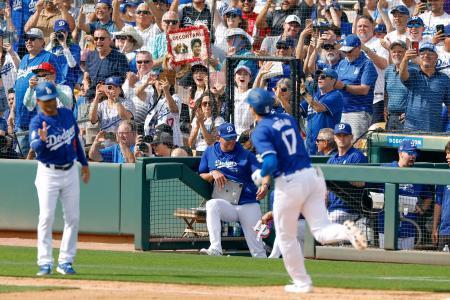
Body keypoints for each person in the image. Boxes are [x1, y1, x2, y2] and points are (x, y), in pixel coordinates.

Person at [247, 88, 366, 293]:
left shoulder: (261, 130)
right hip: (312, 178)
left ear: (254, 108)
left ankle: (302, 282)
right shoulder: (288, 121)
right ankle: (347, 232)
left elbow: (271, 160)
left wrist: (261, 175)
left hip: (291, 183)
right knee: (320, 230)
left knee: (285, 236)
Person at [28, 81, 90, 276]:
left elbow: (76, 142)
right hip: (48, 173)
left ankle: (65, 262)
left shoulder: (66, 114)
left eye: (52, 99)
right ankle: (44, 262)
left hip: (70, 170)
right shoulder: (37, 122)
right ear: (38, 101)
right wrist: (42, 140)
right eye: (46, 101)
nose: (50, 104)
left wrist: (85, 164)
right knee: (46, 217)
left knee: (73, 218)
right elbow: (36, 148)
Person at [198, 122, 269, 258]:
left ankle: (266, 274)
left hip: (248, 203)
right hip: (227, 204)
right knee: (212, 204)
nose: (231, 141)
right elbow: (201, 174)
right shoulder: (210, 151)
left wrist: (265, 185)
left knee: (258, 250)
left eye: (233, 138)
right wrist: (212, 173)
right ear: (218, 138)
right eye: (228, 138)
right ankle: (215, 248)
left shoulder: (245, 154)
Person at [15, 28, 63, 157]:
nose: (28, 41)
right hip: (21, 116)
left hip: (38, 117)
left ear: (42, 41)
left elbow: (59, 81)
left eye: (32, 38)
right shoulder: (24, 58)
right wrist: (12, 111)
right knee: (21, 158)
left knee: (38, 155)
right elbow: (18, 86)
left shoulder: (48, 57)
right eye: (27, 39)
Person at [378, 139, 433, 250]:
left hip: (409, 228)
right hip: (387, 227)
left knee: (407, 262)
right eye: (410, 153)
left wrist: (422, 209)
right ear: (401, 153)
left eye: (415, 154)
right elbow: (373, 192)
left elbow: (428, 197)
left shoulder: (417, 175)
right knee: (386, 262)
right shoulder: (386, 169)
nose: (413, 156)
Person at [334, 34, 378, 142]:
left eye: (350, 51)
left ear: (358, 48)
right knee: (341, 144)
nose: (347, 54)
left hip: (358, 111)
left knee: (355, 144)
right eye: (345, 51)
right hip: (341, 110)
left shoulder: (367, 64)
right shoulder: (342, 63)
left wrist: (344, 86)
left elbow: (364, 89)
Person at [399, 42, 450, 132]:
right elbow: (402, 76)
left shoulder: (444, 78)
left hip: (434, 129)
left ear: (436, 57)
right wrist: (405, 59)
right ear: (419, 57)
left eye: (430, 53)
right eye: (422, 53)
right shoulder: (412, 73)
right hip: (411, 128)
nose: (426, 56)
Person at [327, 123, 368, 224]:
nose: (341, 138)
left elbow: (357, 182)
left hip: (350, 210)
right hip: (332, 209)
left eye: (345, 135)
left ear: (351, 137)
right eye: (338, 135)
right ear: (334, 138)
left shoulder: (357, 156)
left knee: (322, 230)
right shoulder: (332, 160)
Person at [300, 68, 343, 155]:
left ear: (333, 80)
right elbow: (295, 111)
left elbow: (319, 108)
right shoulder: (315, 96)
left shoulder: (336, 95)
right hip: (310, 144)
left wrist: (304, 93)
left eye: (323, 77)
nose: (319, 78)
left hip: (326, 145)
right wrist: (281, 98)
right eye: (318, 77)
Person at [84, 28, 129, 97]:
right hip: (91, 95)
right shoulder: (90, 55)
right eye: (96, 39)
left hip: (110, 97)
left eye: (102, 38)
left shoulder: (119, 57)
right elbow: (86, 73)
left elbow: (123, 81)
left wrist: (104, 89)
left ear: (109, 40)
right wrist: (86, 83)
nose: (98, 41)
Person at [46, 19, 82, 91]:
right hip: (52, 82)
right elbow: (43, 58)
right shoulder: (52, 47)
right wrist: (50, 43)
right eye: (59, 32)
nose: (61, 34)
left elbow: (72, 64)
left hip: (67, 83)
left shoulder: (75, 47)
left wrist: (64, 45)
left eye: (64, 32)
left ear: (68, 33)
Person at [384, 40, 409, 131]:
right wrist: (385, 108)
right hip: (391, 117)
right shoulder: (388, 71)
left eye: (400, 51)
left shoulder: (413, 70)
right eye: (394, 52)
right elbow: (386, 93)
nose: (396, 54)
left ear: (406, 53)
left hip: (407, 118)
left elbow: (419, 95)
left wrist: (410, 113)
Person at [433, 140, 450, 250]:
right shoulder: (443, 175)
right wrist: (435, 227)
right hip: (445, 230)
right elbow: (438, 203)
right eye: (446, 153)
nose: (447, 157)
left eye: (449, 153)